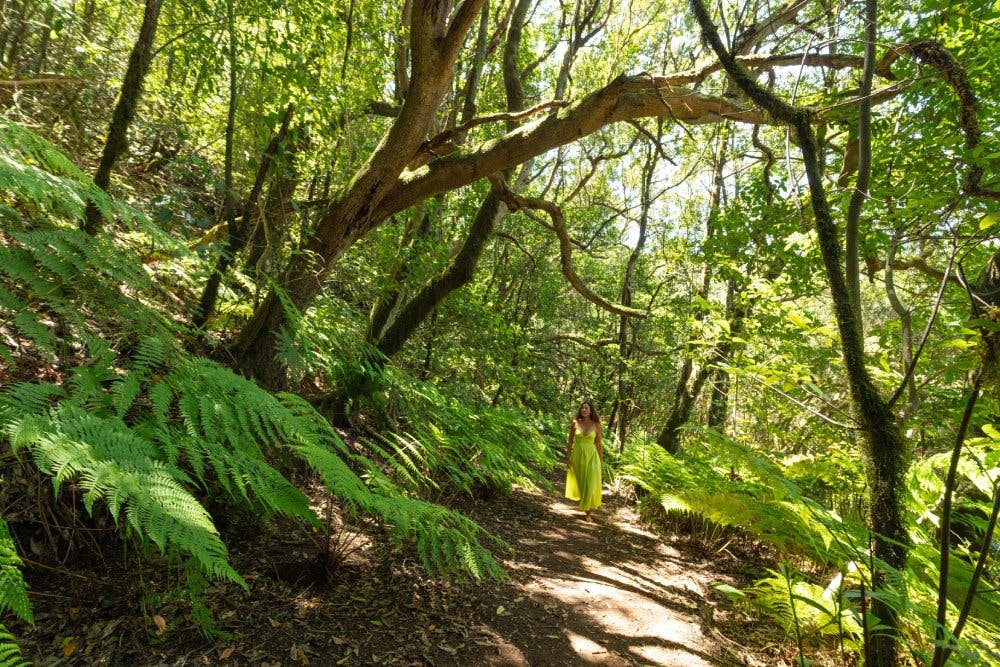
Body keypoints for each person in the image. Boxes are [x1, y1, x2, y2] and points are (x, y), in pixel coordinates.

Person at [565, 401, 603, 520]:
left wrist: (601, 462)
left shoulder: (596, 425)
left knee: (590, 483)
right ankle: (585, 506)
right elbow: (570, 441)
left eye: (586, 408)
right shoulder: (575, 423)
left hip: (592, 457)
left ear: (591, 410)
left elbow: (598, 444)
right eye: (582, 408)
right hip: (578, 456)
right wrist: (568, 457)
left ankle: (588, 513)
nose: (584, 410)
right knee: (581, 482)